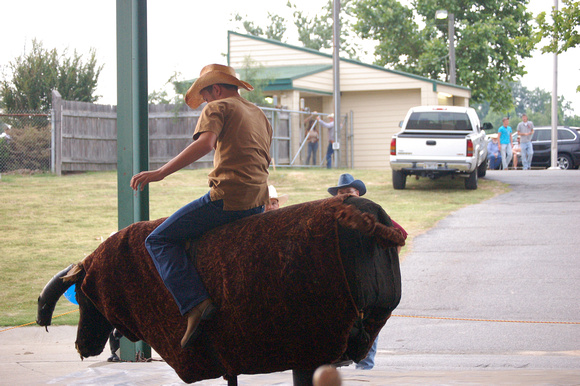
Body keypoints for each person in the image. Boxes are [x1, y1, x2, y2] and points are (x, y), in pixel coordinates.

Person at [130, 64, 272, 349]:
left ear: (215, 89)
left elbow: (206, 143)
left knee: (157, 239)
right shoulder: (258, 113)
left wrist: (159, 173)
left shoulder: (217, 107)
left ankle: (196, 304)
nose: (205, 102)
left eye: (205, 95)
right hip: (259, 201)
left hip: (228, 198)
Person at [327, 173, 408, 370]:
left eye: (350, 191)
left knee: (368, 325)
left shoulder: (372, 213)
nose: (346, 195)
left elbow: (400, 235)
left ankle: (364, 373)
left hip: (369, 280)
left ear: (359, 194)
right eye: (342, 192)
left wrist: (384, 263)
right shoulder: (332, 216)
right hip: (343, 281)